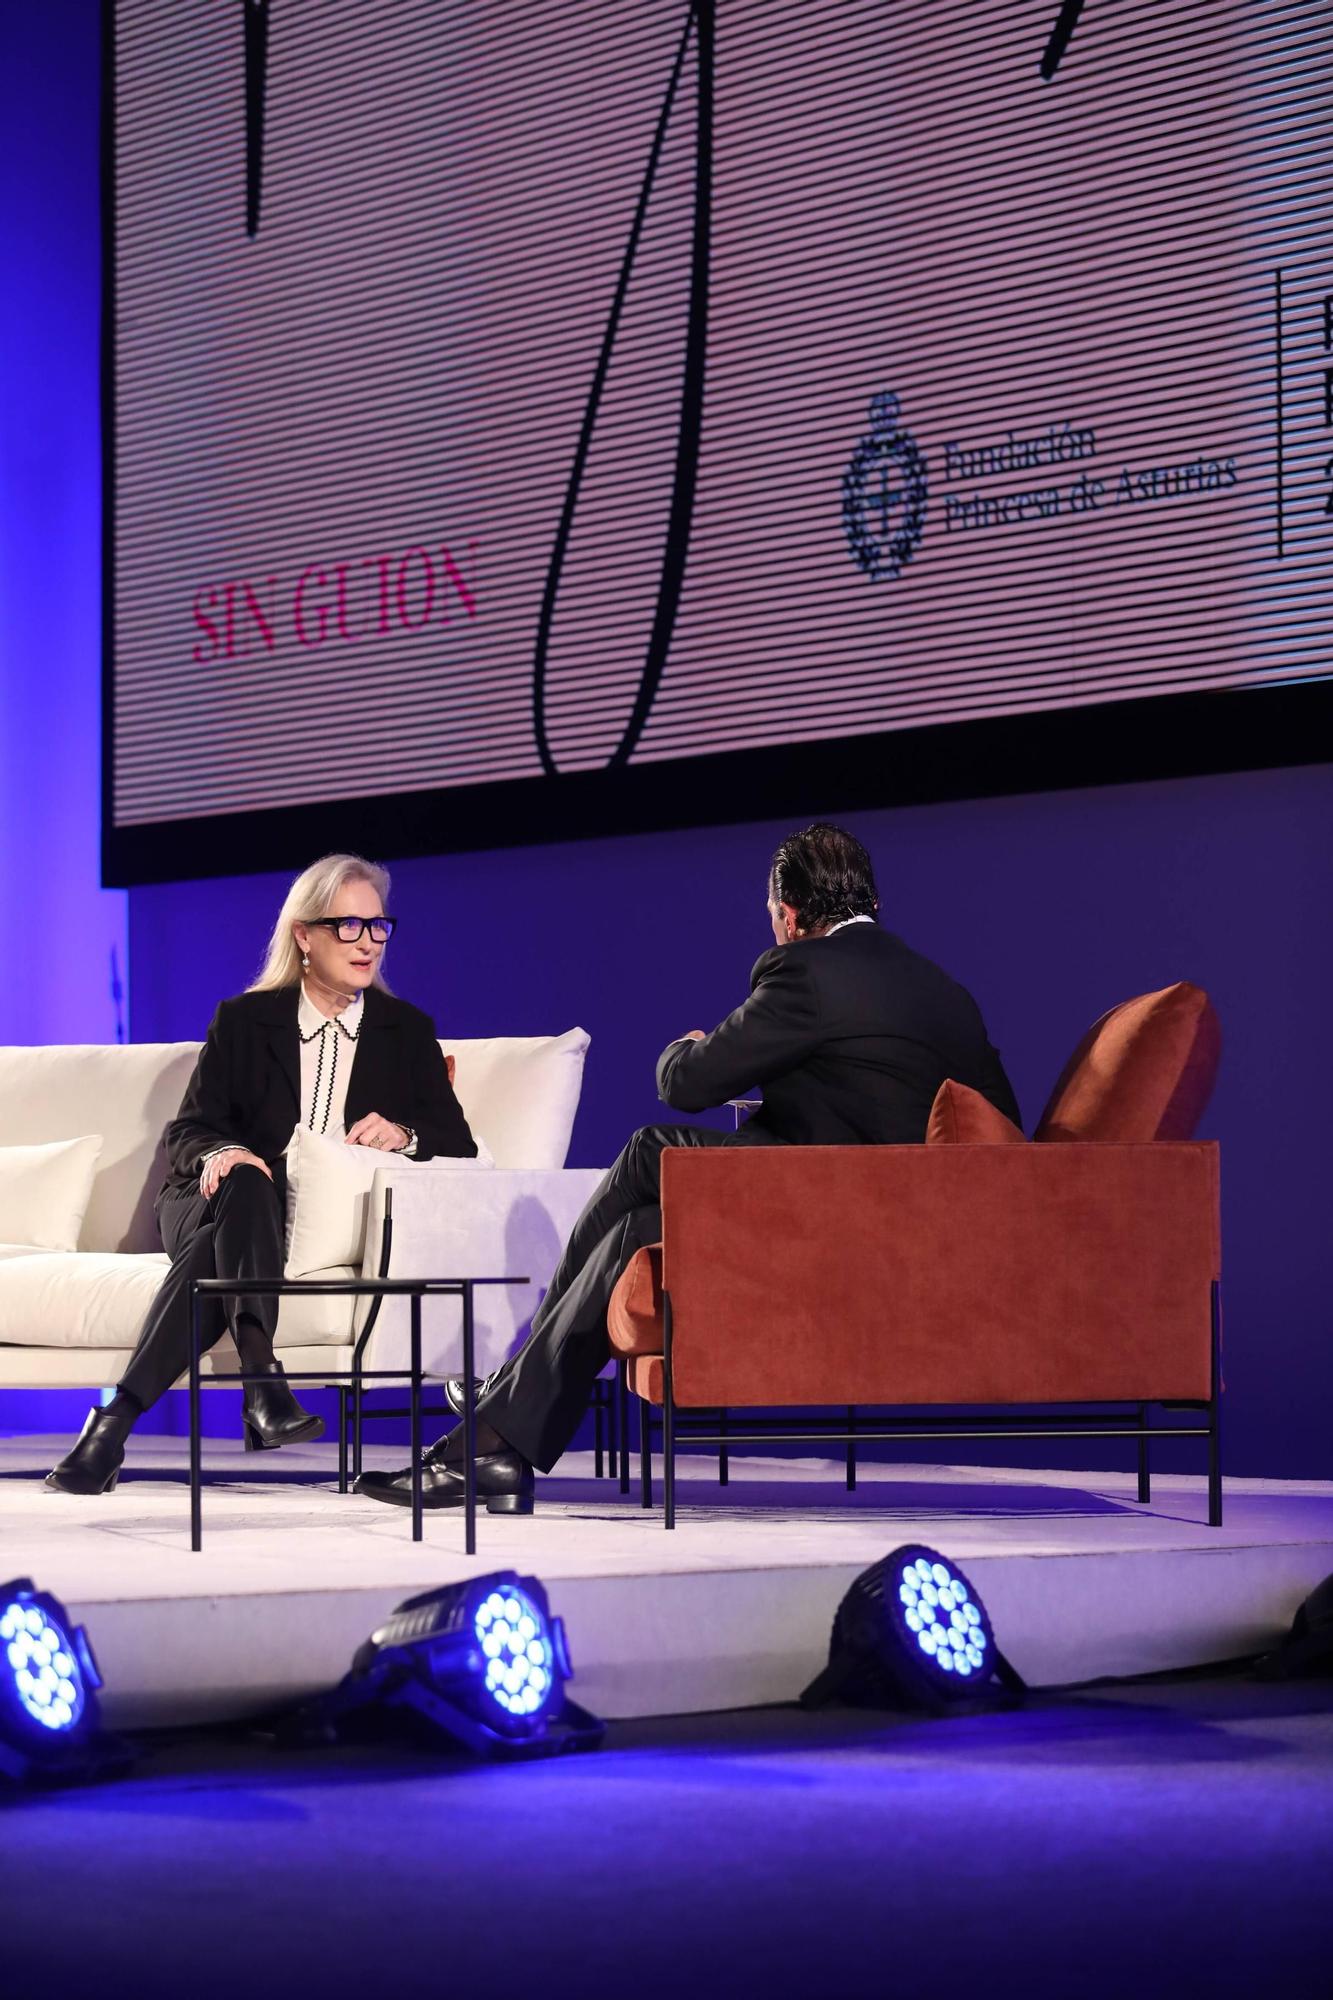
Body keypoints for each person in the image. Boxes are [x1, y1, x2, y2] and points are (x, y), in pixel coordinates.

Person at [355, 822, 1019, 1516]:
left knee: (649, 1148)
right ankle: (499, 1445)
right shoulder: (946, 993)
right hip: (917, 1225)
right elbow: (984, 1111)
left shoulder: (804, 973)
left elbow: (689, 1085)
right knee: (634, 1232)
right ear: (871, 903)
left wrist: (685, 1045)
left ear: (788, 917)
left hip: (836, 1216)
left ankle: (499, 1401)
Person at [45, 853, 476, 1494]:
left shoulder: (405, 1032)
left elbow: (458, 1144)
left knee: (222, 1246)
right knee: (249, 1182)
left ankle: (111, 1426)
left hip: (292, 1225)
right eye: (348, 927)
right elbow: (188, 1130)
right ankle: (261, 1378)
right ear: (304, 935)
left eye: (378, 927)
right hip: (209, 1195)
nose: (367, 944)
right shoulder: (245, 1022)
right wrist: (220, 1153)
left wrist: (405, 1135)